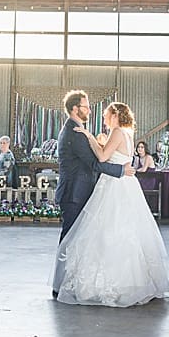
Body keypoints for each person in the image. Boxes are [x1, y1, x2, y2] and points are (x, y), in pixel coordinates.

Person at [51, 101, 169, 307]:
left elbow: (100, 157)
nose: (101, 116)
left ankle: (92, 283)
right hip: (121, 184)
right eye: (88, 107)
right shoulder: (124, 133)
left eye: (106, 114)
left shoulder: (115, 132)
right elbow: (105, 156)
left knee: (106, 231)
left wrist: (90, 137)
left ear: (115, 114)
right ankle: (129, 280)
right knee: (120, 231)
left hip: (113, 185)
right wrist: (99, 143)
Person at [53, 91, 134, 244]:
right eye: (86, 107)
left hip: (80, 192)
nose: (90, 110)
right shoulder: (75, 132)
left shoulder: (77, 130)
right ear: (75, 109)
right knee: (69, 239)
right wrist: (121, 170)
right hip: (74, 194)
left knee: (78, 239)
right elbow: (95, 163)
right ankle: (63, 268)